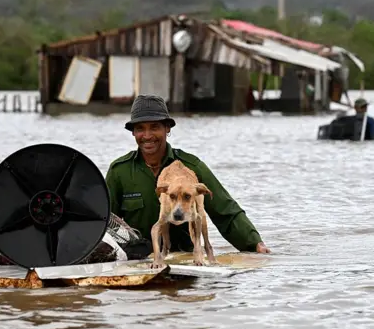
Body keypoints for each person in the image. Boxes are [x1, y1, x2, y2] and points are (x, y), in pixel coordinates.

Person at [105, 94, 270, 254]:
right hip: (136, 260)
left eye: (154, 127)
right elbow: (105, 220)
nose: (147, 136)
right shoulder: (119, 171)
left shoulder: (192, 167)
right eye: (140, 128)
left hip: (185, 259)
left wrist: (254, 243)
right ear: (133, 132)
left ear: (167, 128)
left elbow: (225, 211)